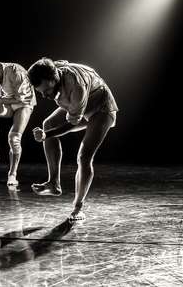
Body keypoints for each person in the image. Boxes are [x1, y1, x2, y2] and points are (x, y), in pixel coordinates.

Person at [27, 58, 118, 222]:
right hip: (83, 105)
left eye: (46, 90)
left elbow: (71, 124)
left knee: (84, 156)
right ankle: (54, 183)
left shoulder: (76, 86)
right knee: (48, 124)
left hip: (102, 109)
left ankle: (78, 208)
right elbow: (58, 62)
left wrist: (46, 135)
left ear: (54, 79)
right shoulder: (54, 69)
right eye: (40, 92)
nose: (44, 95)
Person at [0, 58, 36, 186]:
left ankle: (12, 175)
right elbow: (6, 94)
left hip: (24, 104)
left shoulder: (15, 72)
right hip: (10, 101)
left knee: (14, 138)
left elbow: (20, 100)